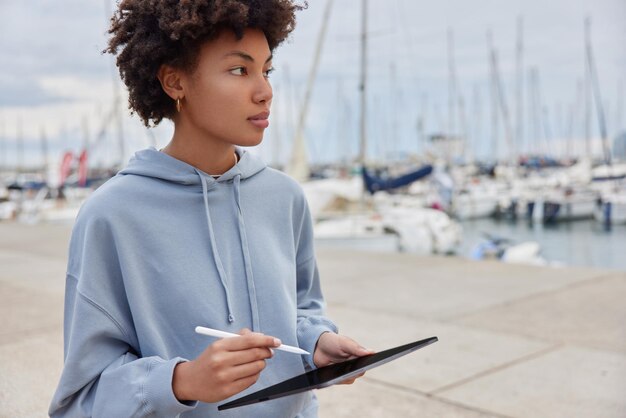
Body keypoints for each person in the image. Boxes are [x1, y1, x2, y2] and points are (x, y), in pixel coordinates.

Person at [48, 1, 373, 417]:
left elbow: (301, 309)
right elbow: (81, 400)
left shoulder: (285, 197)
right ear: (174, 81)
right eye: (240, 70)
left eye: (266, 70)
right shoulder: (111, 215)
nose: (265, 91)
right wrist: (182, 382)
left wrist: (315, 343)